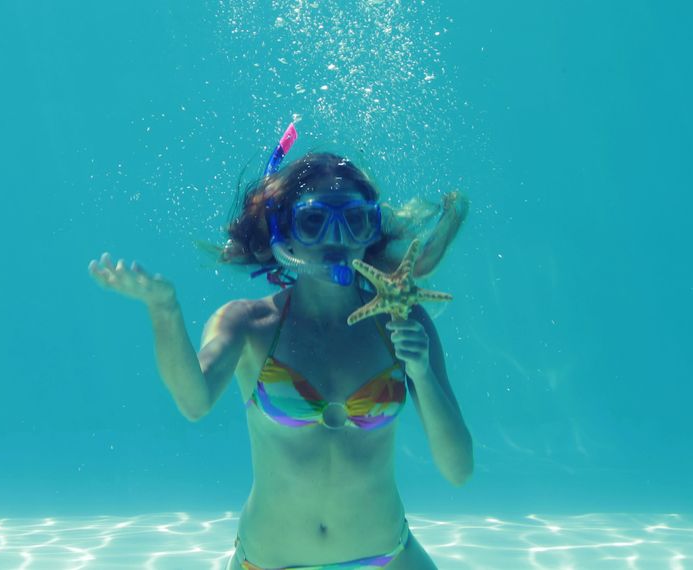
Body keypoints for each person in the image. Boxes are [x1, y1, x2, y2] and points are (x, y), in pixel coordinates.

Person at [89, 137, 473, 569]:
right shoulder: (249, 325)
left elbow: (458, 468)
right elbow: (193, 401)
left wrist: (420, 372)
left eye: (353, 220)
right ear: (282, 232)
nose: (336, 239)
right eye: (313, 222)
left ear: (371, 229)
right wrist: (164, 310)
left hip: (385, 557)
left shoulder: (404, 325)